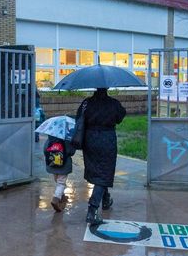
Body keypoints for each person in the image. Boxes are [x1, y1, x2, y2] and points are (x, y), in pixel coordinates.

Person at [76, 88, 126, 225]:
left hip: (90, 140)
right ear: (107, 88)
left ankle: (106, 199)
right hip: (107, 140)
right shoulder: (113, 103)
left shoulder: (86, 103)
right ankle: (92, 210)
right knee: (104, 172)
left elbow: (78, 118)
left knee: (99, 171)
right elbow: (121, 117)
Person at [44, 129, 76, 212]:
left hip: (52, 165)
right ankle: (56, 198)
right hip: (64, 165)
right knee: (61, 183)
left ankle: (62, 196)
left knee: (57, 180)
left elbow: (45, 150)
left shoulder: (49, 139)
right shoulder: (67, 140)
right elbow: (71, 152)